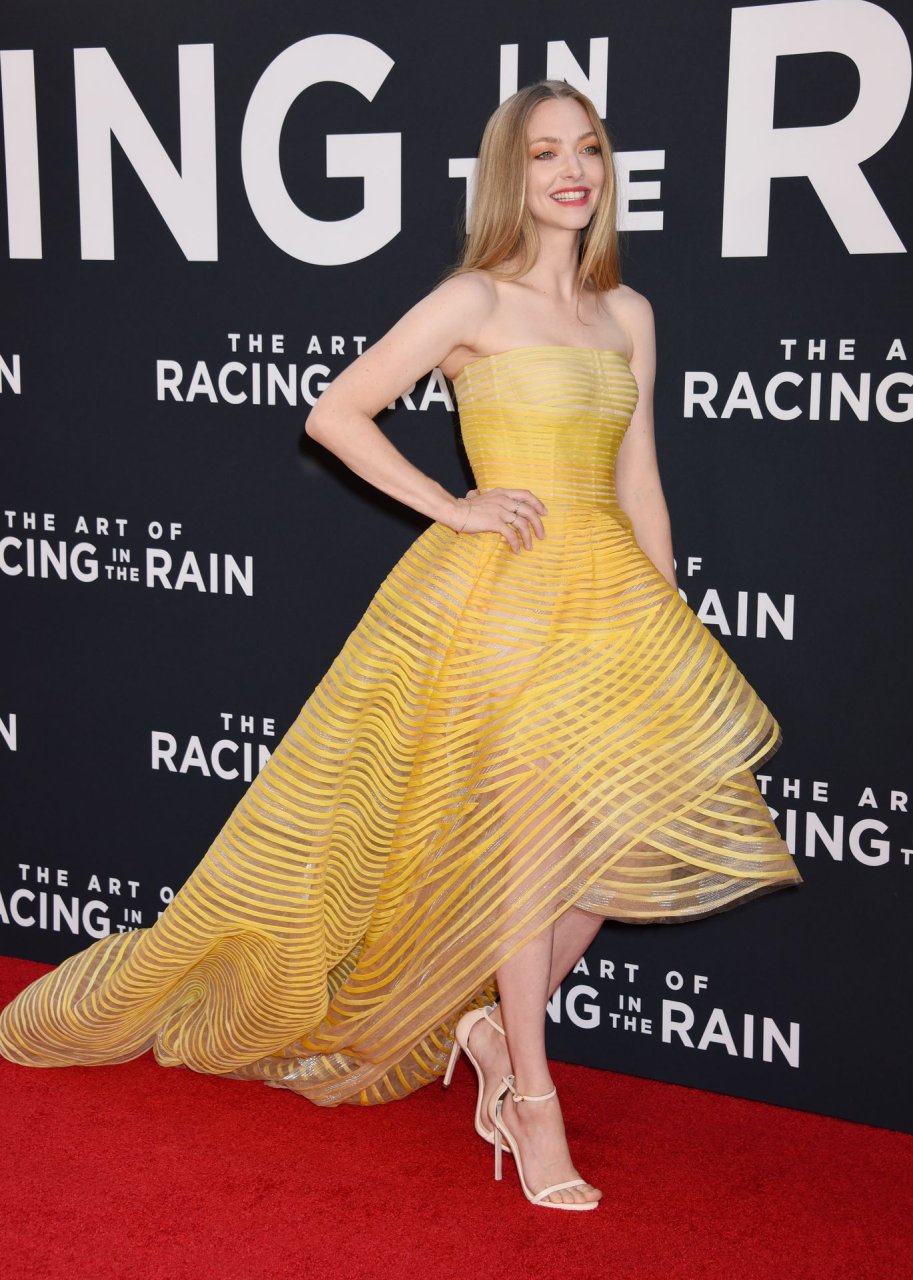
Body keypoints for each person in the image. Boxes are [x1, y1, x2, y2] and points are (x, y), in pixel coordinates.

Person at [0, 80, 802, 1212]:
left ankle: (492, 1025)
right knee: (531, 853)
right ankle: (531, 1097)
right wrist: (453, 503)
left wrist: (665, 608)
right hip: (507, 599)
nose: (571, 171)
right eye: (544, 153)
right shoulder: (473, 297)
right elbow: (335, 411)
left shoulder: (629, 313)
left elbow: (640, 478)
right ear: (510, 173)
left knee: (610, 847)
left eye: (586, 149)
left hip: (612, 603)